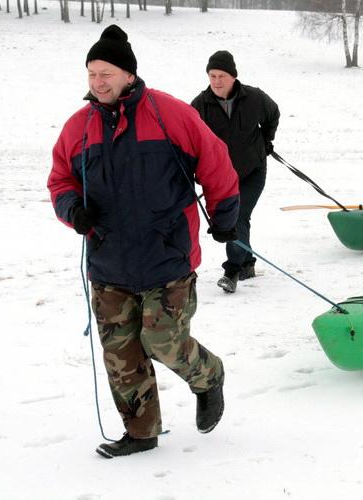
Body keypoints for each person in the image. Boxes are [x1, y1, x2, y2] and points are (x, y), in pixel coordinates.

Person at [47, 25, 240, 459]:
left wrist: (225, 218)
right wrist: (73, 210)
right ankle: (140, 433)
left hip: (166, 257)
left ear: (129, 75)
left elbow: (216, 163)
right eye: (92, 74)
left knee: (163, 341)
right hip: (108, 261)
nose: (98, 82)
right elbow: (60, 180)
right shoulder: (78, 128)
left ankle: (209, 376)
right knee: (122, 355)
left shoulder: (170, 114)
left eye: (107, 73)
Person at [191, 50, 280, 294]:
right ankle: (247, 263)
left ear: (233, 76)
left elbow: (273, 114)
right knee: (237, 218)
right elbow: (190, 139)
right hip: (221, 177)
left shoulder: (254, 98)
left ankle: (232, 271)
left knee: (237, 217)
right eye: (212, 76)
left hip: (252, 171)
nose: (216, 81)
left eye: (221, 76)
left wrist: (266, 140)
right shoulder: (200, 105)